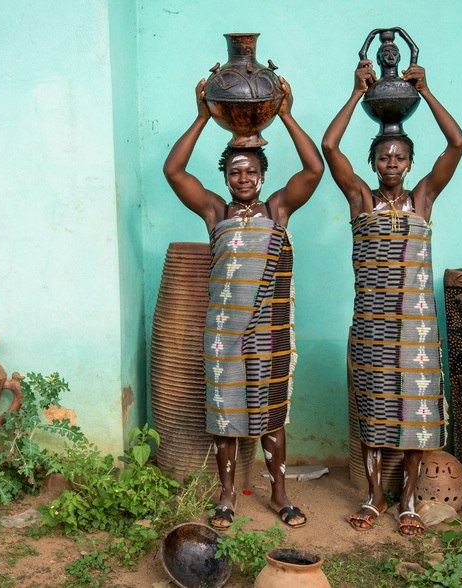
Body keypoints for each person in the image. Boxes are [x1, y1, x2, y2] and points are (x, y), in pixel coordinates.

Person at [163, 76, 324, 530]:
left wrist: (288, 115)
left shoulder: (278, 210)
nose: (244, 178)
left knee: (270, 414)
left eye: (251, 171)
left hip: (268, 332)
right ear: (225, 177)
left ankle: (279, 495)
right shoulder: (217, 213)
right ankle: (227, 497)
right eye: (235, 172)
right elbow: (174, 172)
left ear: (263, 175)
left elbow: (313, 171)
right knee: (225, 415)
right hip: (222, 335)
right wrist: (201, 118)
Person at [322, 59, 462, 536]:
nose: (391, 165)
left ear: (410, 163)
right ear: (373, 162)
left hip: (417, 329)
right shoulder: (360, 200)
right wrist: (354, 91)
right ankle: (372, 497)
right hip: (373, 326)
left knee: (416, 417)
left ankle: (406, 503)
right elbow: (329, 146)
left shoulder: (423, 199)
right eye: (383, 157)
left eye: (399, 158)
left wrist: (426, 91)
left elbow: (458, 143)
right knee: (375, 413)